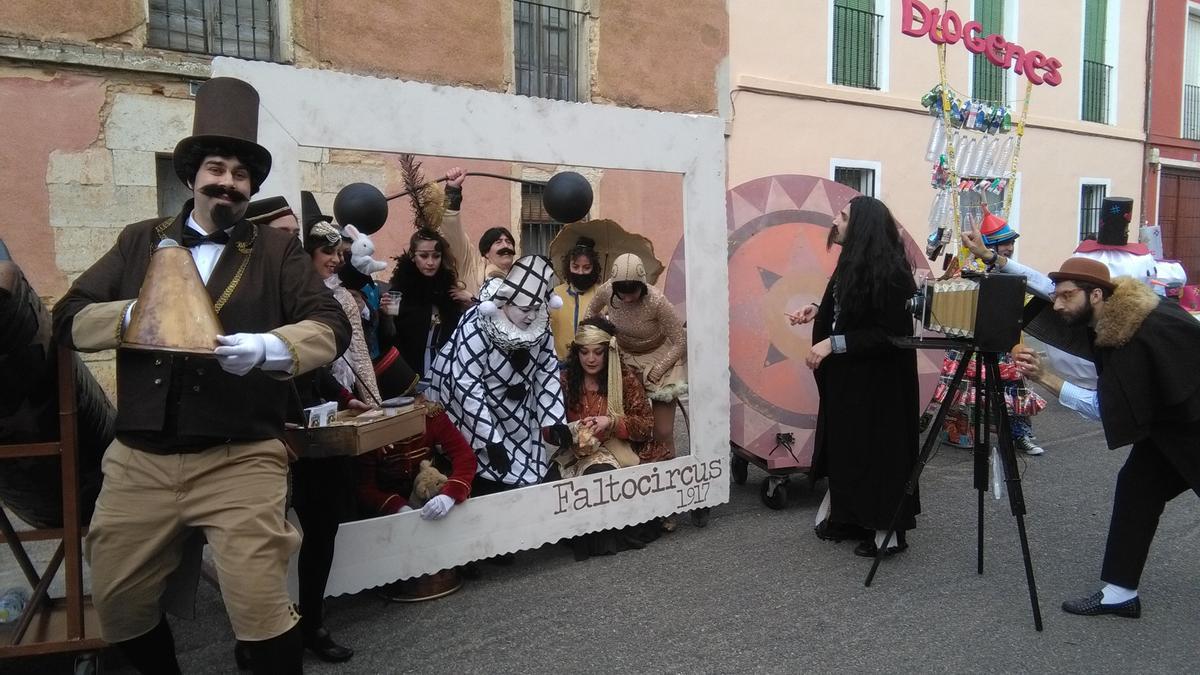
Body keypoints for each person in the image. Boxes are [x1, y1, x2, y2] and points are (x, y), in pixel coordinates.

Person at [51, 78, 351, 674]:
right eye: (217, 168)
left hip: (241, 456)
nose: (228, 182)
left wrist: (269, 347)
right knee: (118, 605)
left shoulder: (276, 252)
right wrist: (137, 316)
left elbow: (330, 324)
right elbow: (67, 318)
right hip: (139, 458)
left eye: (241, 175)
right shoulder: (140, 241)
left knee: (262, 610)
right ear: (192, 175)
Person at [1014, 257, 1200, 619]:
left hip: (1192, 422)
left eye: (1067, 297)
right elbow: (1040, 283)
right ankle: (1120, 592)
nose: (1057, 305)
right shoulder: (1116, 318)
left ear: (1096, 294)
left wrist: (1046, 378)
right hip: (1172, 422)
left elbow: (1108, 408)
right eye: (1057, 296)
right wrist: (996, 260)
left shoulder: (1135, 336)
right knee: (1137, 487)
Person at [790, 195, 920, 558]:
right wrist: (817, 311)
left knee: (879, 455)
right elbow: (852, 310)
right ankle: (853, 518)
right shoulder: (854, 262)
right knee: (849, 449)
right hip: (851, 381)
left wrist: (834, 343)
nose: (836, 219)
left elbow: (888, 334)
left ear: (861, 226)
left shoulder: (893, 273)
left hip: (880, 386)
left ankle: (888, 535)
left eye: (843, 216)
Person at [428, 255, 571, 495]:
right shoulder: (477, 324)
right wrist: (489, 439)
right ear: (505, 303)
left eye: (537, 309)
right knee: (484, 475)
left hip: (518, 406)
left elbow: (546, 371)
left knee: (527, 472)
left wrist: (555, 419)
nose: (532, 316)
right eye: (525, 309)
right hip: (473, 407)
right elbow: (465, 383)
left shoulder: (540, 325)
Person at [927, 213, 1047, 455]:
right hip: (969, 339)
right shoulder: (968, 268)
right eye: (1006, 243)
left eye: (1012, 243)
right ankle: (958, 431)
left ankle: (1020, 435)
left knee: (1011, 388)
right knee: (960, 388)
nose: (1010, 248)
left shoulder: (1012, 270)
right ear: (989, 245)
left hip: (1005, 341)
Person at [548, 316, 662, 556]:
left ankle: (599, 542)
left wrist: (611, 422)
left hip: (615, 449)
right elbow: (549, 429)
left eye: (598, 352)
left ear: (608, 352)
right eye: (585, 352)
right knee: (547, 485)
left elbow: (646, 425)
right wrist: (570, 431)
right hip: (575, 451)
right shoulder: (565, 382)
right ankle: (577, 535)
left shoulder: (624, 379)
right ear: (576, 354)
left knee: (599, 479)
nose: (591, 359)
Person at [586, 253, 687, 461]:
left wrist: (656, 370)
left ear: (642, 284)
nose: (627, 298)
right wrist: (600, 336)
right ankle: (639, 476)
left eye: (632, 292)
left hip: (660, 359)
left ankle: (672, 477)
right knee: (630, 428)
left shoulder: (657, 301)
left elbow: (680, 342)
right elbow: (589, 316)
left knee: (663, 431)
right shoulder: (606, 290)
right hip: (623, 358)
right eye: (621, 293)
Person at [384, 167, 475, 385]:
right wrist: (386, 314)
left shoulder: (449, 289)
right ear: (413, 257)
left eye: (435, 255)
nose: (430, 262)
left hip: (447, 372)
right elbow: (389, 336)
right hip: (411, 372)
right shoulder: (399, 290)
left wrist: (469, 302)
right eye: (424, 256)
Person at [549, 236, 602, 361]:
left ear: (594, 268)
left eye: (586, 268)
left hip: (591, 364)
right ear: (569, 267)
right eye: (575, 267)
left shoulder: (602, 295)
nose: (580, 272)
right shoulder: (554, 294)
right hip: (558, 364)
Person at [476, 226, 517, 291]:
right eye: (498, 242)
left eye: (508, 242)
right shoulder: (480, 280)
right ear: (486, 252)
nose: (505, 246)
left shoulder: (524, 276)